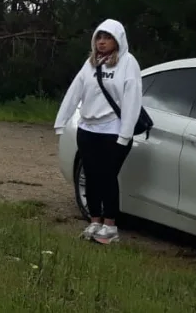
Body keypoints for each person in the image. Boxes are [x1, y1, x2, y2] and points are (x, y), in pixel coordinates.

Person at [53, 18, 144, 244]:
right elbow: (75, 91)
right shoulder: (92, 63)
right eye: (99, 38)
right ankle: (95, 221)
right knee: (91, 176)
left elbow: (132, 100)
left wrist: (125, 134)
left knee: (107, 177)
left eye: (108, 38)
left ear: (118, 39)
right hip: (88, 129)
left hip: (113, 131)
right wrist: (61, 120)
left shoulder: (128, 63)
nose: (102, 42)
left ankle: (110, 226)